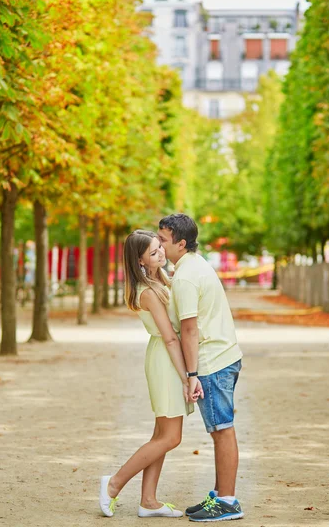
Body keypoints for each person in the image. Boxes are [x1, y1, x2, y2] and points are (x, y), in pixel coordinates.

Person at [99, 229, 202, 519]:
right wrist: (187, 377)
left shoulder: (162, 280)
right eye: (153, 252)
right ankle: (114, 483)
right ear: (140, 261)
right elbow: (170, 337)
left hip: (169, 357)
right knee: (171, 437)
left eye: (160, 247)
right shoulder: (147, 292)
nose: (161, 253)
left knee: (161, 434)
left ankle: (148, 500)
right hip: (166, 360)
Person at [158, 214, 244, 522]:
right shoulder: (194, 265)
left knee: (222, 430)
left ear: (181, 243)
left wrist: (191, 375)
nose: (158, 243)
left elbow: (190, 330)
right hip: (223, 356)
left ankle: (229, 502)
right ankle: (220, 496)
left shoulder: (185, 277)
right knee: (219, 429)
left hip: (212, 362)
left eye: (163, 240)